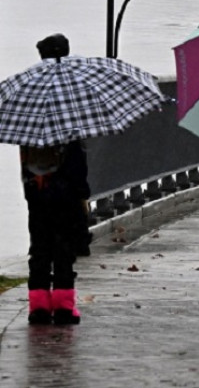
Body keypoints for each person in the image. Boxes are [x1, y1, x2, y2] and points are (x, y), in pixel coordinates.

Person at [21, 33, 92, 325]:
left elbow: (25, 159)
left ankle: (38, 307)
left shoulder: (27, 98)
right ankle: (64, 307)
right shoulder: (73, 97)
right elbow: (76, 164)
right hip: (65, 194)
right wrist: (82, 193)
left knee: (39, 248)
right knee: (64, 250)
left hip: (37, 192)